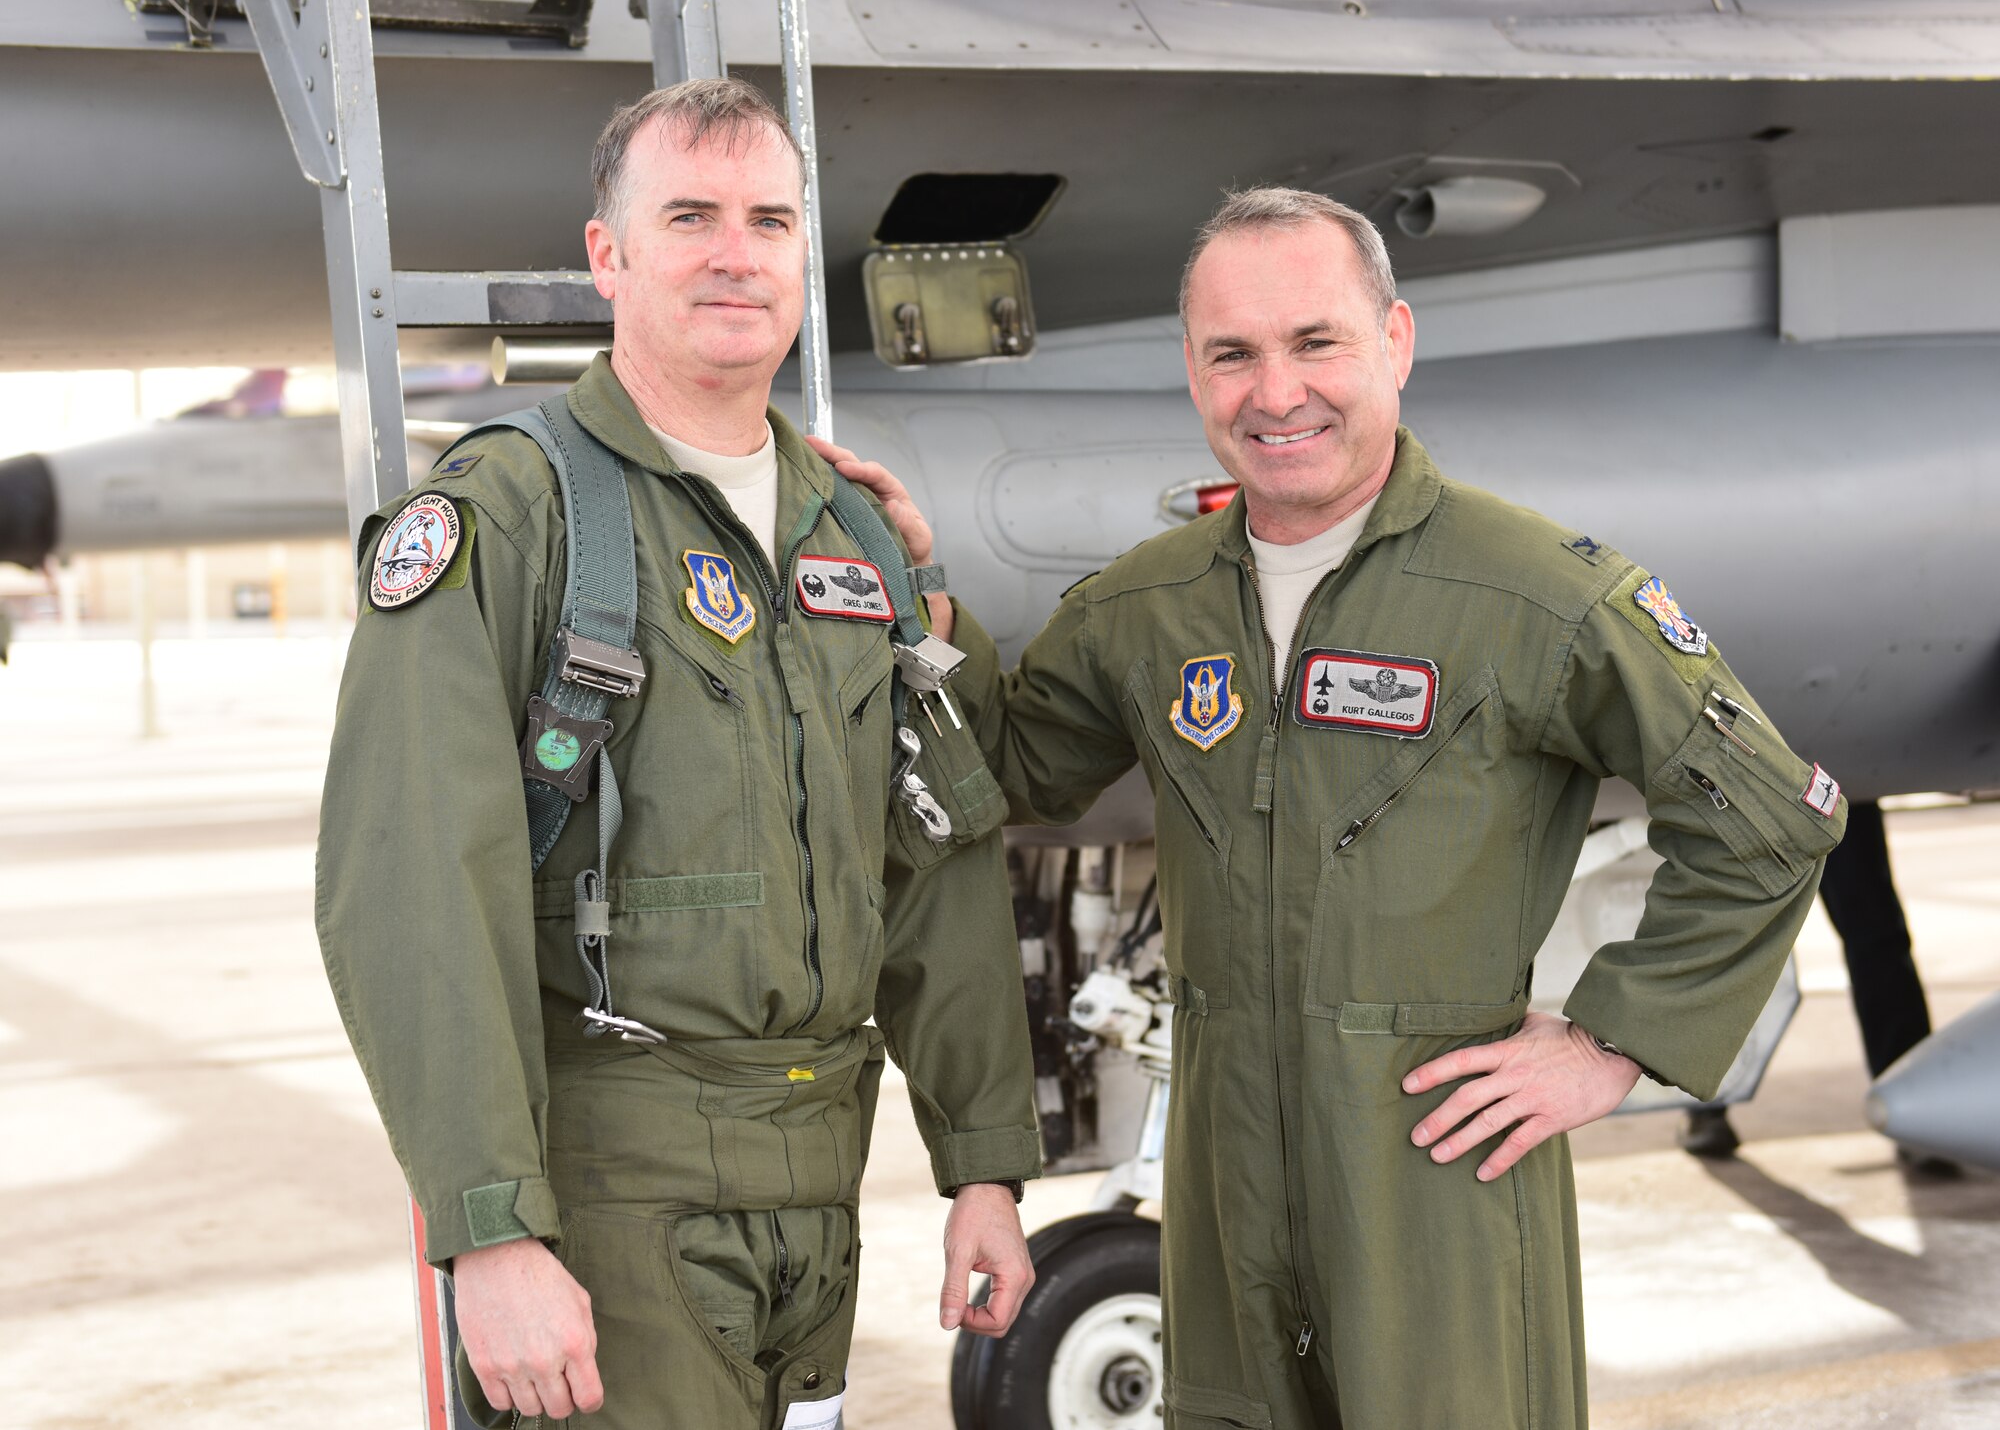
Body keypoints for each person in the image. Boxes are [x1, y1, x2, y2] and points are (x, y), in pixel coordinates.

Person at [828, 187, 1848, 1428]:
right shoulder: (1144, 610)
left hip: (1437, 1184)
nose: (1275, 391)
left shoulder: (1533, 595)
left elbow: (1767, 816)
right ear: (1193, 372)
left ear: (1394, 342)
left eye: (1314, 342)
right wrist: (917, 591)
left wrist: (1606, 1042)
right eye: (1233, 354)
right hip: (1221, 1190)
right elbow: (1003, 770)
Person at [316, 79, 1040, 1430]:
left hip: (818, 1200)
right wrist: (490, 1231)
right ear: (611, 253)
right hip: (610, 1210)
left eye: (768, 219)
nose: (734, 251)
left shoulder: (857, 540)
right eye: (690, 215)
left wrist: (982, 1168)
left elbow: (935, 852)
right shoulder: (507, 516)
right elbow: (411, 883)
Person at [1681, 797, 1952, 1169]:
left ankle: (1916, 1109)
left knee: (1870, 934)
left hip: (1798, 774)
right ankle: (1705, 1102)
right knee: (1871, 933)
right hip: (1802, 776)